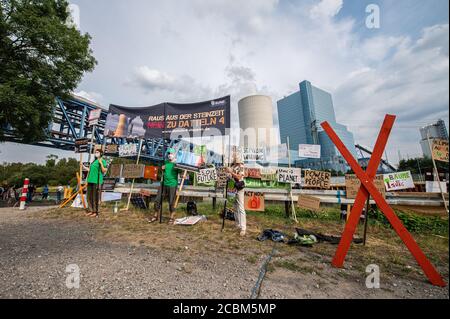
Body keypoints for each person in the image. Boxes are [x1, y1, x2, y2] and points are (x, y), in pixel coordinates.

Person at [148, 148, 179, 224]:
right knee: (157, 200)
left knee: (171, 201)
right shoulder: (165, 162)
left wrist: (182, 174)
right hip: (163, 183)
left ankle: (171, 217)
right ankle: (156, 216)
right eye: (168, 154)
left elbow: (182, 172)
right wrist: (162, 169)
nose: (169, 155)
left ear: (174, 155)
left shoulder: (177, 164)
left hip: (172, 185)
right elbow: (162, 171)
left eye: (171, 153)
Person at [83, 150, 107, 217]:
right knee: (89, 197)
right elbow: (90, 170)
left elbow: (104, 170)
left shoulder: (102, 161)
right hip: (90, 180)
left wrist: (101, 163)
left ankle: (95, 211)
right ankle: (91, 210)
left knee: (94, 197)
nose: (96, 153)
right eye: (95, 152)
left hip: (97, 181)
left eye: (97, 152)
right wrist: (84, 167)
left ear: (101, 153)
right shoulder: (94, 161)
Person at [227, 159, 246, 236]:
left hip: (239, 187)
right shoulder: (232, 166)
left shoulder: (241, 166)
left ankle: (243, 228)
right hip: (232, 187)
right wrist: (228, 173)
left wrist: (231, 172)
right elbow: (230, 176)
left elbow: (238, 177)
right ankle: (237, 224)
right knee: (235, 206)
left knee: (241, 207)